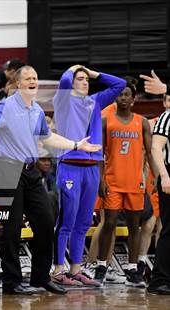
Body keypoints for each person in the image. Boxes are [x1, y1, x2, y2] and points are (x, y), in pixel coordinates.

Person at [0, 65, 101, 295]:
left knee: (45, 221)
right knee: (11, 229)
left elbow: (48, 137)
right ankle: (11, 282)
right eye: (28, 78)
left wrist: (76, 144)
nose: (33, 81)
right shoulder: (5, 106)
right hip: (7, 169)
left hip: (30, 172)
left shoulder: (37, 110)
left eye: (35, 78)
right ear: (18, 83)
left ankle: (40, 277)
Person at [52, 65, 125, 286]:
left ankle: (75, 270)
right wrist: (72, 69)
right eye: (80, 79)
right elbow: (64, 80)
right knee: (66, 221)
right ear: (71, 83)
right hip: (70, 166)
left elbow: (119, 84)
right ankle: (57, 270)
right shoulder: (63, 100)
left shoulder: (95, 101)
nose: (85, 82)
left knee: (83, 222)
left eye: (87, 80)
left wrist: (95, 74)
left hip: (92, 168)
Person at [94, 79, 156, 287]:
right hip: (112, 181)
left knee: (134, 226)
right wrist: (101, 179)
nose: (123, 97)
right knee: (109, 223)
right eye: (119, 94)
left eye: (127, 94)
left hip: (135, 183)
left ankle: (132, 269)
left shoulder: (142, 122)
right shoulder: (105, 120)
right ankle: (101, 265)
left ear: (134, 98)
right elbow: (99, 155)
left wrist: (155, 177)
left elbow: (150, 153)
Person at [139, 70, 170, 295]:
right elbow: (155, 147)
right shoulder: (168, 117)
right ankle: (159, 279)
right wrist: (165, 175)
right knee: (168, 229)